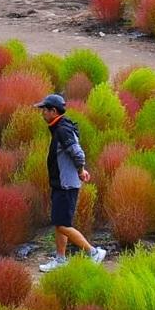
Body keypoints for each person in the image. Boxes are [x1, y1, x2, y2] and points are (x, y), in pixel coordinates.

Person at [34, 93, 107, 272]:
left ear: (53, 111)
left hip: (65, 185)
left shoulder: (63, 130)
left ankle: (93, 252)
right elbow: (72, 155)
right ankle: (60, 260)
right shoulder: (59, 127)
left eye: (44, 110)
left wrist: (80, 171)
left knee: (63, 224)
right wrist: (80, 170)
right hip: (62, 184)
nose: (42, 113)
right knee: (60, 222)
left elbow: (78, 153)